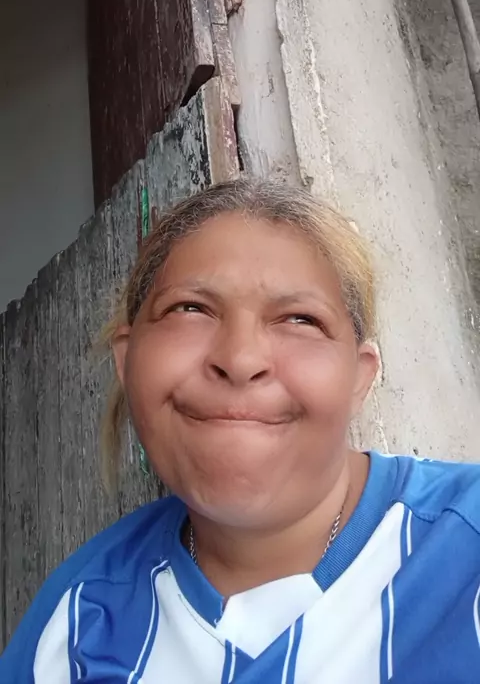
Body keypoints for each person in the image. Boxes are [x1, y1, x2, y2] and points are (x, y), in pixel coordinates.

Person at [1, 178, 480, 684]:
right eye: (190, 308)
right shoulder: (75, 624)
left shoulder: (464, 550)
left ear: (359, 377)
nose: (240, 359)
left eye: (300, 319)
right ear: (128, 359)